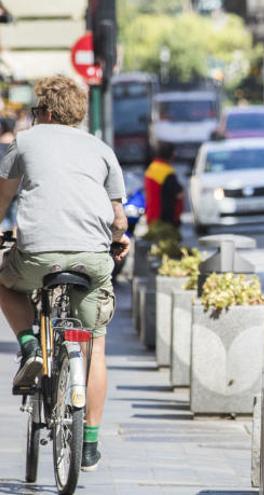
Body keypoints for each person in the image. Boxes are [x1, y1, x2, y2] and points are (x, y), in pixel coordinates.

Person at [0, 75, 130, 472]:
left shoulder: (24, 142)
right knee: (95, 347)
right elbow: (119, 219)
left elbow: (4, 196)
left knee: (4, 282)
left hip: (38, 253)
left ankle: (30, 346)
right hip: (91, 257)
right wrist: (118, 239)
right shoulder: (101, 149)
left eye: (38, 111)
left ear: (48, 112)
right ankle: (89, 445)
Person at [144, 141, 183, 227]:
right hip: (165, 220)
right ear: (171, 155)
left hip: (151, 217)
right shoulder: (167, 172)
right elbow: (178, 194)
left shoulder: (151, 168)